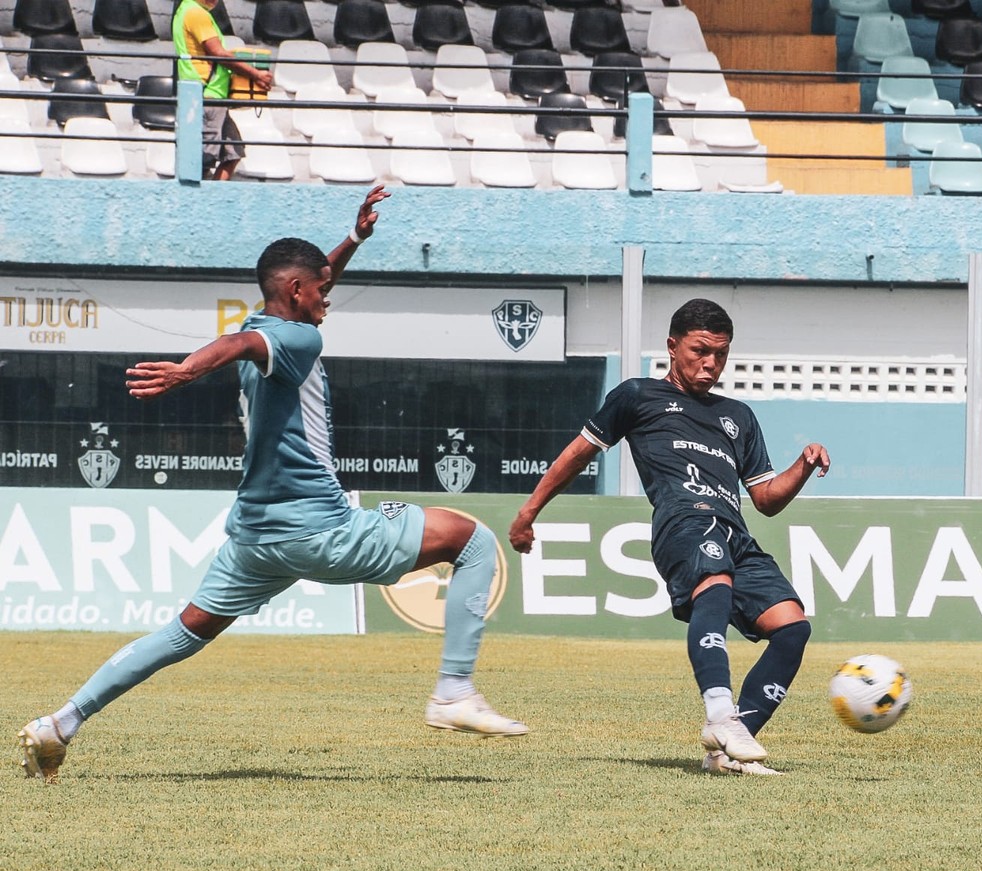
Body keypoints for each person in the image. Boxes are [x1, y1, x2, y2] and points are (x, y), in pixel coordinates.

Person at [18, 186, 528, 785]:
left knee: (182, 633)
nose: (326, 300)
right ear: (295, 291)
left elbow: (270, 316)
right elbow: (243, 343)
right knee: (470, 539)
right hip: (317, 525)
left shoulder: (270, 320)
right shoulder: (295, 338)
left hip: (254, 536)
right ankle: (453, 690)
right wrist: (185, 370)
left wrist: (353, 241)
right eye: (319, 291)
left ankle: (62, 723)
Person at [509, 298, 829, 776]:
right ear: (672, 346)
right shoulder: (637, 396)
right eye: (701, 350)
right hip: (684, 519)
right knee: (715, 588)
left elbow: (765, 498)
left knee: (792, 627)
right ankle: (720, 714)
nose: (711, 363)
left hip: (736, 530)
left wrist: (802, 466)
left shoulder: (737, 415)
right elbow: (577, 455)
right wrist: (528, 511)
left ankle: (724, 753)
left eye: (721, 354)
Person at [172, 0, 274, 180]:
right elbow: (218, 53)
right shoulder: (196, 13)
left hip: (213, 96)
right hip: (206, 95)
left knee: (233, 152)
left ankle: (213, 195)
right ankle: (199, 202)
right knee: (203, 160)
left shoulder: (186, 10)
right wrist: (255, 74)